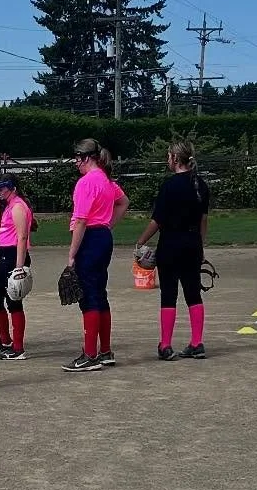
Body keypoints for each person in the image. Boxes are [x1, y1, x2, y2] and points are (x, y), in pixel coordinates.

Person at [134, 140, 211, 360]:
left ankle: (165, 345)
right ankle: (197, 343)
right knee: (193, 293)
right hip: (192, 244)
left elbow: (157, 220)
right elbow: (203, 219)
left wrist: (140, 242)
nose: (168, 159)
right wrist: (201, 245)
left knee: (169, 295)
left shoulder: (169, 186)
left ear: (175, 159)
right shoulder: (200, 185)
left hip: (170, 244)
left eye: (169, 156)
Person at [63, 138, 128, 373]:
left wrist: (71, 255)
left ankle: (90, 354)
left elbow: (80, 221)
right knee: (100, 293)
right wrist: (108, 225)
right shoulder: (106, 179)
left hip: (89, 238)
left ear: (87, 157)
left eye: (78, 158)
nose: (76, 163)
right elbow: (123, 202)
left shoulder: (85, 182)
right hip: (102, 238)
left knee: (88, 296)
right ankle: (105, 350)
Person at [0, 174, 34, 360]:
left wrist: (19, 267)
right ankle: (6, 340)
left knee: (13, 301)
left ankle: (18, 347)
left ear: (13, 188)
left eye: (3, 188)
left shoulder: (18, 207)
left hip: (14, 256)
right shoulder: (7, 207)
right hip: (4, 255)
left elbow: (22, 237)